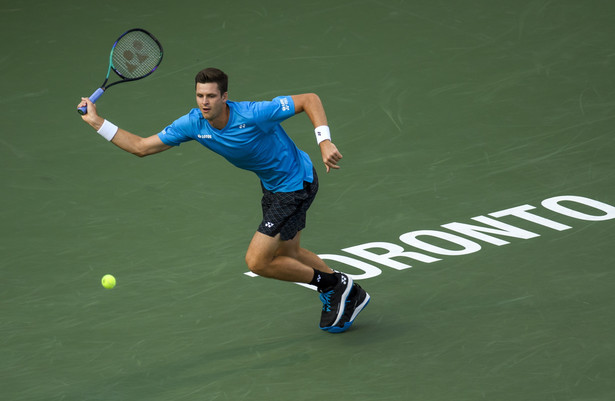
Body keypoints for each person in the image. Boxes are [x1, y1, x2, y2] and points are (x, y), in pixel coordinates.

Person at [77, 67, 369, 333]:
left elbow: (309, 99)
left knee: (257, 261)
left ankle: (332, 285)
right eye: (200, 96)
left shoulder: (253, 114)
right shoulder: (193, 124)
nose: (205, 102)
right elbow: (141, 147)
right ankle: (350, 292)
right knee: (289, 255)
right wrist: (96, 121)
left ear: (224, 97)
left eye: (211, 96)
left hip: (296, 184)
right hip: (273, 186)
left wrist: (324, 140)